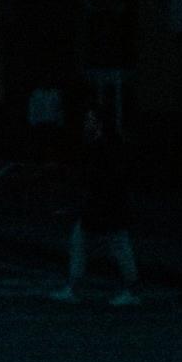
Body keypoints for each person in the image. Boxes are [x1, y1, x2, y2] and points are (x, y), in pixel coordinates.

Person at [51, 106, 140, 306]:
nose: (85, 123)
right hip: (103, 205)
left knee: (115, 245)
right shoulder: (105, 145)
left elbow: (106, 178)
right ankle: (75, 286)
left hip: (106, 205)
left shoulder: (104, 147)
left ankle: (130, 289)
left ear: (98, 123)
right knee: (85, 243)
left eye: (89, 119)